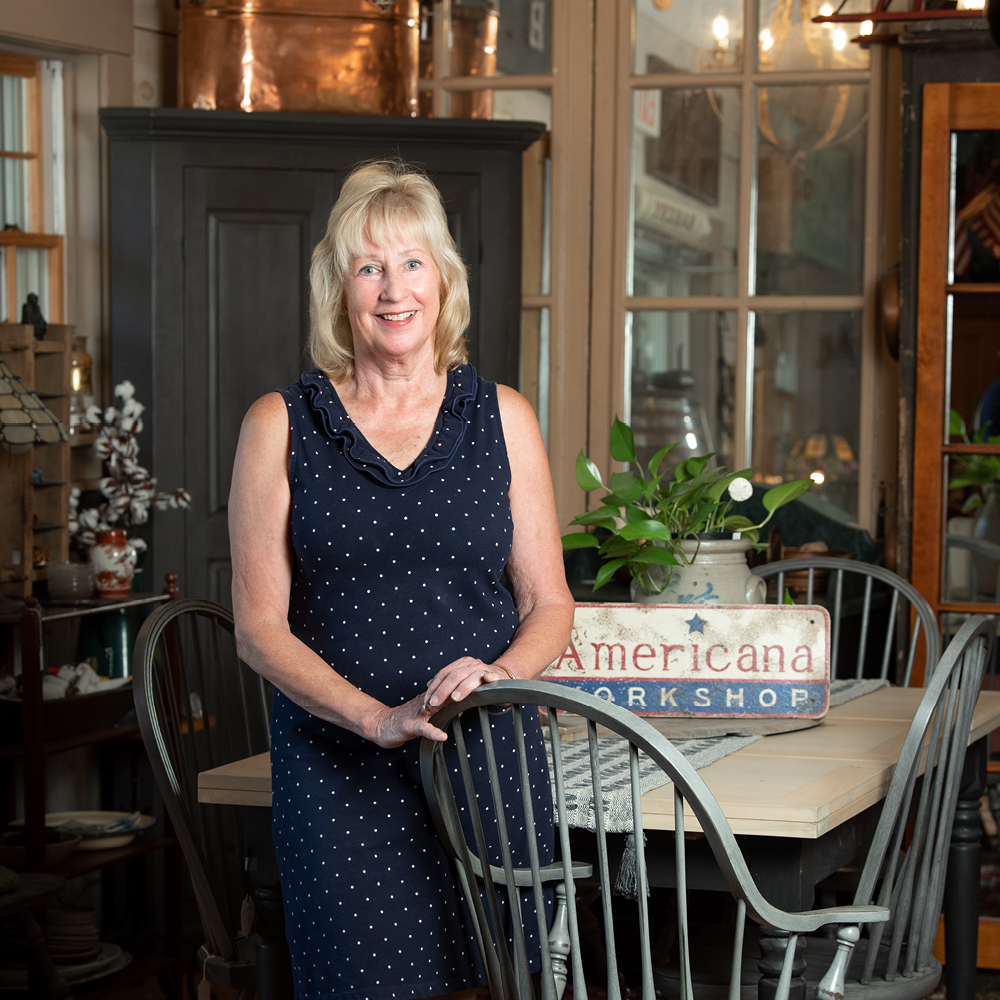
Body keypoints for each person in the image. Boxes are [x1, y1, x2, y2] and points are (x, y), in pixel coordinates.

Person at [229, 159, 575, 1000]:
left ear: (442, 282)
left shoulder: (505, 416)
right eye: (368, 266)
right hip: (338, 769)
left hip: (488, 758)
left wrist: (504, 673)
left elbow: (549, 602)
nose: (393, 289)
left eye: (411, 263)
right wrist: (376, 718)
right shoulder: (279, 424)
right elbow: (259, 628)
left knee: (504, 984)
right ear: (340, 289)